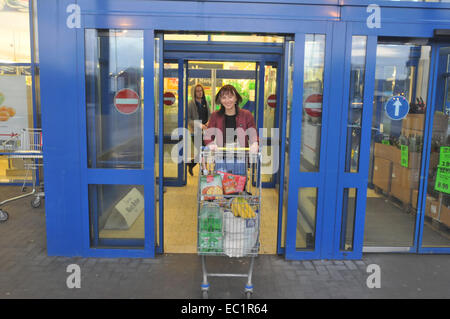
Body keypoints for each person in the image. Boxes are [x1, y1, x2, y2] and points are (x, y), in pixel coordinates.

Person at [204, 84, 259, 156]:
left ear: (236, 98)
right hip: (221, 157)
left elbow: (253, 135)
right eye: (224, 98)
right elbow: (208, 136)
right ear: (220, 100)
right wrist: (210, 144)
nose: (227, 101)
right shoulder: (215, 116)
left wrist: (255, 143)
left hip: (241, 157)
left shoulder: (246, 115)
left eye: (230, 97)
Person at [187, 84, 210, 176]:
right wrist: (199, 124)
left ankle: (191, 164)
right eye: (197, 91)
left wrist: (208, 122)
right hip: (195, 132)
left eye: (201, 91)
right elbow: (188, 119)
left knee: (204, 152)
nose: (200, 92)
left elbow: (210, 114)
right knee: (201, 152)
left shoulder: (206, 102)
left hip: (206, 131)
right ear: (194, 92)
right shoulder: (191, 104)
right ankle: (204, 171)